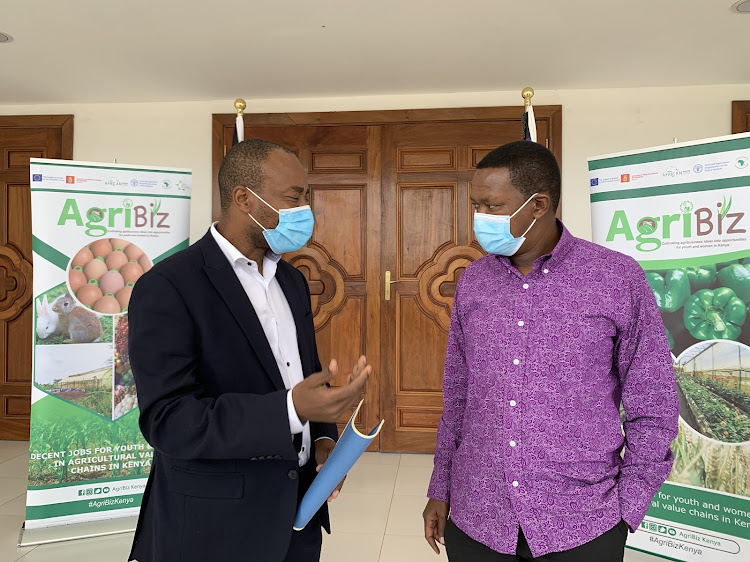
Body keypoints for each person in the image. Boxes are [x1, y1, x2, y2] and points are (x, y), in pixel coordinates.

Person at [422, 141, 678, 562]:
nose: (479, 220)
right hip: (478, 518)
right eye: (476, 206)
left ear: (538, 204)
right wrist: (441, 487)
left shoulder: (616, 277)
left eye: (491, 206)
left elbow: (654, 401)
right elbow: (459, 397)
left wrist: (628, 507)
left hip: (583, 523)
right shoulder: (473, 281)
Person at [128, 139, 371, 562]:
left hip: (297, 515)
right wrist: (290, 410)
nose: (305, 210)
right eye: (294, 198)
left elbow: (300, 373)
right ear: (244, 198)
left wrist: (324, 438)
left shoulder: (292, 281)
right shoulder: (168, 287)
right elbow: (169, 420)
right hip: (214, 524)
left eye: (306, 198)